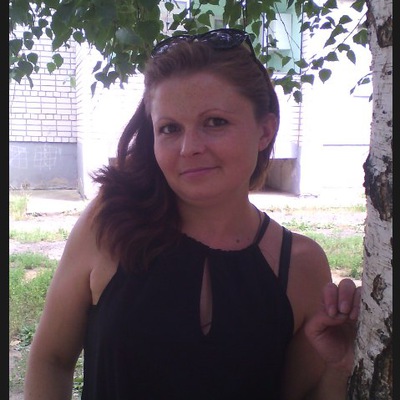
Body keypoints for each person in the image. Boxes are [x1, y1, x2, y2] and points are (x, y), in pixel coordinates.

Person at [24, 28, 361, 400]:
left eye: (215, 122)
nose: (189, 148)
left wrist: (338, 367)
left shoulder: (301, 265)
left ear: (265, 131)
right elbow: (51, 359)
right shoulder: (109, 224)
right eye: (169, 128)